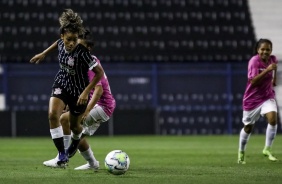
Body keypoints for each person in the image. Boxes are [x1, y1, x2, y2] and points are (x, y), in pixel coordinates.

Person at [30, 9, 104, 168]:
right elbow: (56, 45)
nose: (71, 43)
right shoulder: (60, 44)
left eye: (75, 39)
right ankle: (62, 155)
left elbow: (99, 73)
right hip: (62, 83)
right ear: (62, 36)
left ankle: (74, 143)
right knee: (52, 115)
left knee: (76, 127)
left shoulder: (83, 53)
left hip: (79, 91)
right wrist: (43, 53)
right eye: (68, 39)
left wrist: (85, 92)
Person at [43, 31, 116, 170]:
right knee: (76, 132)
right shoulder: (81, 58)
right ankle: (93, 164)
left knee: (65, 120)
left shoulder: (87, 62)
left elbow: (99, 91)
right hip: (101, 104)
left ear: (87, 48)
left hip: (102, 105)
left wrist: (86, 111)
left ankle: (61, 158)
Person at [238, 38, 278, 164]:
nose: (265, 52)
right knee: (248, 127)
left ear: (271, 50)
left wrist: (274, 79)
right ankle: (241, 152)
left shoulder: (273, 59)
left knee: (273, 119)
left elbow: (274, 68)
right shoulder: (254, 61)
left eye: (268, 49)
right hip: (252, 99)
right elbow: (253, 81)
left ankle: (267, 149)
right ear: (258, 50)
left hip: (267, 96)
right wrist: (267, 70)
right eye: (263, 49)